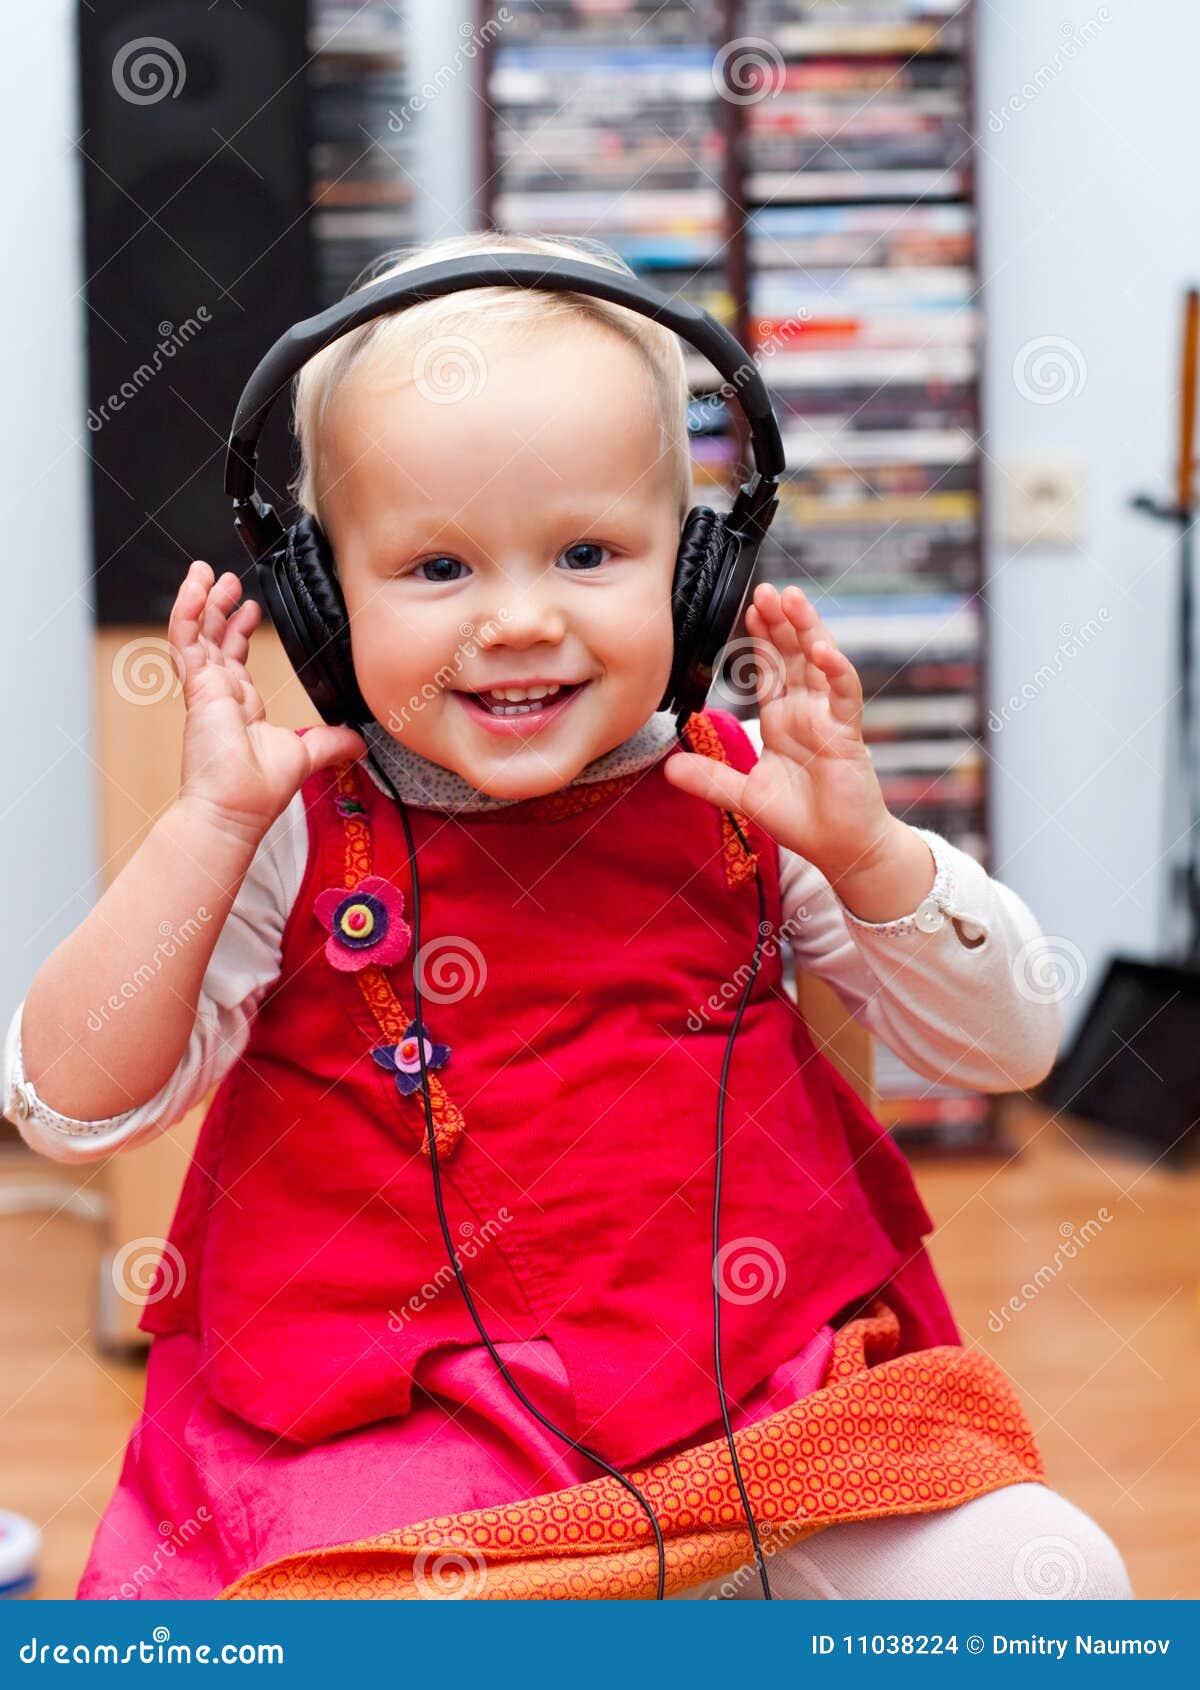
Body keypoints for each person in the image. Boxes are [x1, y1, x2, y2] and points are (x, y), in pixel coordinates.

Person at [3, 231, 1132, 1601]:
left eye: (588, 550)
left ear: (694, 571)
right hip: (385, 1454)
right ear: (320, 603)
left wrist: (875, 853)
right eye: (436, 570)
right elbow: (69, 1104)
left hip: (750, 1414)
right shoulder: (286, 829)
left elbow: (1009, 1047)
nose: (521, 619)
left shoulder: (748, 791)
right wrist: (203, 835)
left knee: (1047, 1576)